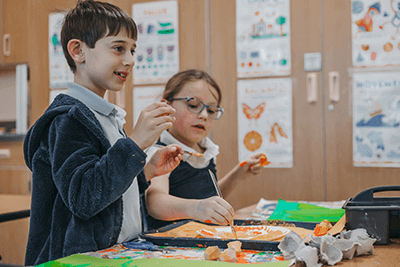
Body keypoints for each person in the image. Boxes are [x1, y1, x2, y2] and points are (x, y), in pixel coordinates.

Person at [23, 1, 183, 265]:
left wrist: (145, 172)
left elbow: (107, 186)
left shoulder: (104, 115)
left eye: (132, 50)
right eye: (118, 48)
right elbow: (84, 198)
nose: (130, 60)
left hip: (115, 254)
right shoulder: (68, 119)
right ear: (78, 51)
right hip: (73, 260)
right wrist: (134, 145)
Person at [143, 69, 265, 230]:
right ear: (167, 106)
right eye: (193, 105)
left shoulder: (206, 150)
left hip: (200, 239)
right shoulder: (161, 152)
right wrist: (198, 208)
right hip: (170, 244)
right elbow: (155, 202)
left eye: (212, 110)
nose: (204, 115)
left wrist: (237, 175)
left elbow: (206, 198)